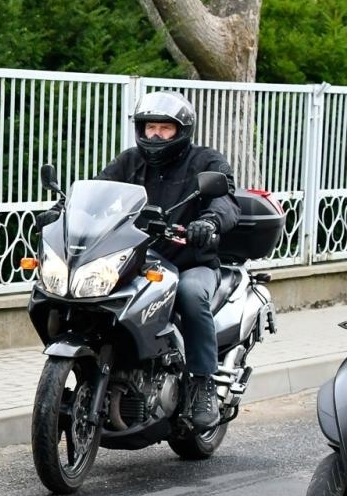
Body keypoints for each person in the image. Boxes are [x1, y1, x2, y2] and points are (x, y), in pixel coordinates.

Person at [41, 91, 238, 432]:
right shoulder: (129, 162)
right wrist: (63, 211)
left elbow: (226, 201)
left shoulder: (205, 162)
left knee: (191, 295)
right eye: (150, 128)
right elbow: (97, 193)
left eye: (165, 128)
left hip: (190, 261)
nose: (156, 135)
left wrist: (209, 223)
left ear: (182, 131)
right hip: (140, 258)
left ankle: (202, 383)